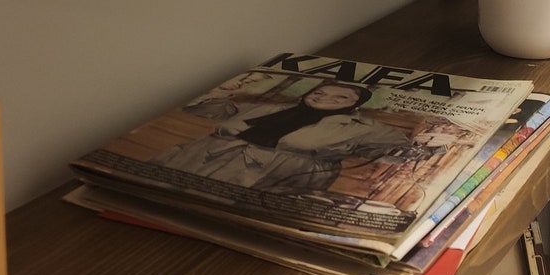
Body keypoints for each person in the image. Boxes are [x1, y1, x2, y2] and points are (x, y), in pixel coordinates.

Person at [155, 81, 412, 191]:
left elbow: (401, 151)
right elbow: (201, 109)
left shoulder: (363, 127)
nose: (324, 98)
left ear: (355, 105)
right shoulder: (270, 109)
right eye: (319, 93)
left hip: (264, 177)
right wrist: (222, 93)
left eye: (341, 97)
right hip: (196, 159)